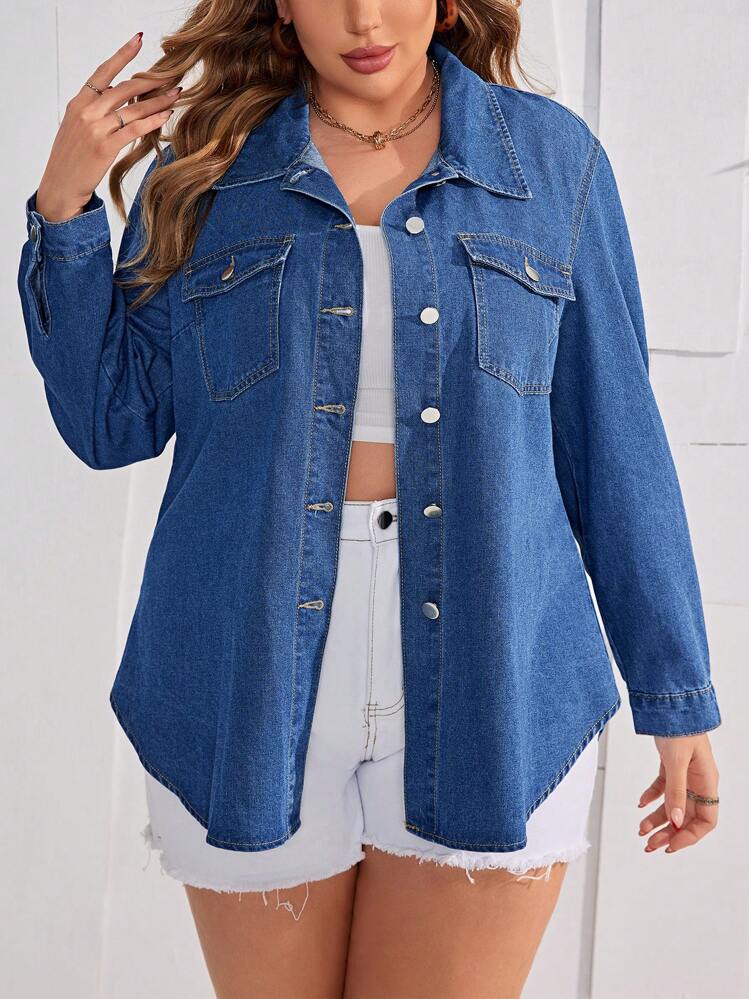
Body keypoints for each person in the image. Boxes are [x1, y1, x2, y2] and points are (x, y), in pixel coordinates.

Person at [17, 1, 722, 996]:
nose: (362, 18)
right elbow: (110, 422)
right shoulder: (210, 167)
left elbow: (614, 441)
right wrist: (65, 206)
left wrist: (674, 695)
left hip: (494, 675)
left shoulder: (549, 163)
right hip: (245, 672)